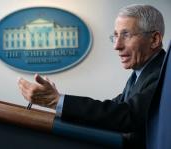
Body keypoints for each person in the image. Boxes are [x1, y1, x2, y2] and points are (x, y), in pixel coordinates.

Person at [18, 4, 165, 149]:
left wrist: (57, 101)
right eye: (115, 36)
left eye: (126, 35)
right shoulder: (140, 73)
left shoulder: (162, 74)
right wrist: (57, 102)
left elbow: (127, 116)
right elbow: (112, 111)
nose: (117, 46)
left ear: (154, 40)